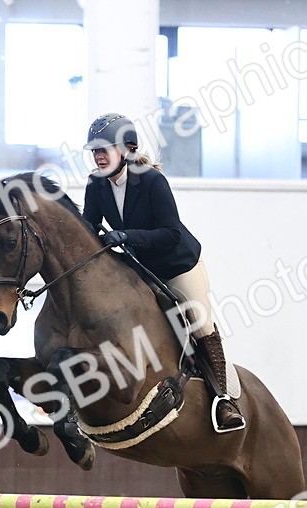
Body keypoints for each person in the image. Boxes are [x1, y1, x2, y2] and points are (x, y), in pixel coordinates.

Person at [80, 113, 245, 434]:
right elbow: (89, 228)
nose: (98, 156)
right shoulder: (96, 185)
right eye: (94, 151)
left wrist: (126, 236)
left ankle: (224, 400)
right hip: (141, 269)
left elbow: (170, 232)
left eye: (105, 149)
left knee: (200, 323)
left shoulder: (152, 180)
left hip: (177, 265)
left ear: (127, 149)